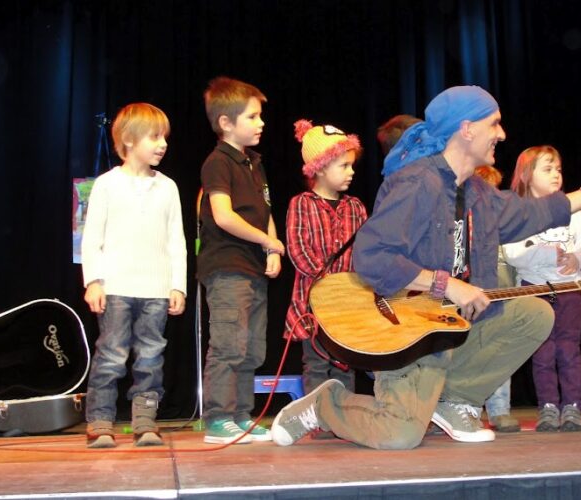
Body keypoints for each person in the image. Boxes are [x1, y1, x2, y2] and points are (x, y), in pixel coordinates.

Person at [271, 85, 581, 450]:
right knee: (399, 435)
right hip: (408, 335)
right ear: (467, 128)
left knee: (535, 314)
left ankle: (454, 401)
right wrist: (445, 284)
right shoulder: (417, 183)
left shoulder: (477, 191)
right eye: (495, 124)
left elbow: (528, 213)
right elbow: (373, 256)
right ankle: (323, 404)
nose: (502, 134)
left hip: (449, 328)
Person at [81, 102, 186, 448]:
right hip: (116, 288)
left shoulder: (168, 187)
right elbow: (92, 237)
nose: (162, 144)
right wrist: (93, 281)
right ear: (128, 140)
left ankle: (145, 421)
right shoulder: (107, 185)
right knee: (111, 354)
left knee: (151, 358)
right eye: (154, 137)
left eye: (164, 137)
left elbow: (177, 240)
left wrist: (177, 286)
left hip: (155, 290)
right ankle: (100, 421)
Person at [197, 77, 284, 444]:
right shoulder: (218, 163)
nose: (261, 123)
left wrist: (272, 245)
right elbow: (224, 215)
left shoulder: (255, 163)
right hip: (228, 266)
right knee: (229, 343)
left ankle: (242, 416)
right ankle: (218, 419)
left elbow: (264, 210)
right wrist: (267, 240)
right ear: (226, 123)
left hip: (253, 267)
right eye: (253, 116)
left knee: (251, 347)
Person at [503, 146, 581, 432]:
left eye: (558, 169)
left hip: (570, 289)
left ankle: (571, 406)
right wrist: (548, 253)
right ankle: (547, 406)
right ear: (526, 175)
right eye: (547, 169)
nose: (556, 174)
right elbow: (513, 253)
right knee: (543, 352)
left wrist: (577, 257)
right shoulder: (518, 212)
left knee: (569, 349)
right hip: (534, 290)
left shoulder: (571, 208)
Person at [284, 119, 368, 433]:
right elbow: (298, 250)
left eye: (351, 165)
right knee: (317, 364)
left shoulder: (356, 207)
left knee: (345, 364)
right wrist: (329, 285)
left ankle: (343, 422)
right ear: (320, 167)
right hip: (313, 306)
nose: (351, 171)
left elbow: (363, 253)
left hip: (348, 306)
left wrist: (353, 287)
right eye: (344, 165)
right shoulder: (301, 204)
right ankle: (319, 421)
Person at [475, 165, 520, 434]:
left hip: (501, 306)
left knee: (499, 359)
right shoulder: (461, 230)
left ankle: (499, 410)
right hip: (467, 310)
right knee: (467, 361)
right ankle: (465, 410)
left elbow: (515, 269)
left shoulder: (505, 231)